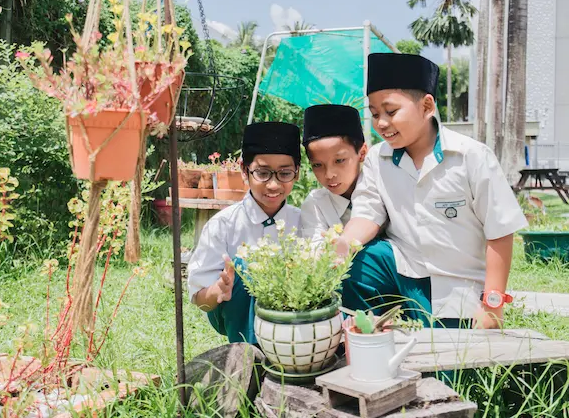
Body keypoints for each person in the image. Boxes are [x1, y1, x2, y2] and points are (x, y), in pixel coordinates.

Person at [336, 53, 527, 330]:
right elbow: (367, 213)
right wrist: (344, 244)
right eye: (375, 114)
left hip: (457, 286)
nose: (381, 123)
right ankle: (363, 334)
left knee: (445, 356)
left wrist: (492, 304)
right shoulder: (378, 159)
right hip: (403, 273)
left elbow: (500, 232)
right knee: (363, 260)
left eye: (391, 112)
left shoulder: (471, 156)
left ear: (426, 106)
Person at [186, 121, 302, 343]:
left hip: (290, 317)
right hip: (232, 312)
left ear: (297, 173)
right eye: (262, 173)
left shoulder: (303, 222)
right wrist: (219, 289)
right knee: (245, 266)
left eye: (285, 173)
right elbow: (200, 300)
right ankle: (250, 355)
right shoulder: (223, 225)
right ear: (243, 170)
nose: (273, 185)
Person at [300, 104, 367, 243]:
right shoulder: (316, 205)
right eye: (317, 165)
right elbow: (315, 250)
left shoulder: (381, 189)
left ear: (362, 153)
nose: (329, 175)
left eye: (339, 160)